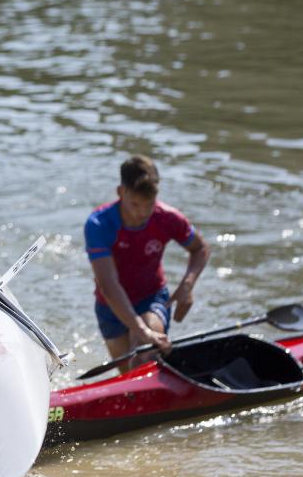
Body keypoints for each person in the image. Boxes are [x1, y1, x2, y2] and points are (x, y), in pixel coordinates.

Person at [84, 155, 210, 368]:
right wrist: (140, 328)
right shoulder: (98, 224)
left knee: (143, 354)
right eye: (135, 204)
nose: (142, 212)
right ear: (121, 192)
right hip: (111, 305)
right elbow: (109, 286)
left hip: (151, 297)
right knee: (126, 374)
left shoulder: (168, 218)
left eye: (149, 204)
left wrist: (187, 286)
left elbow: (200, 248)